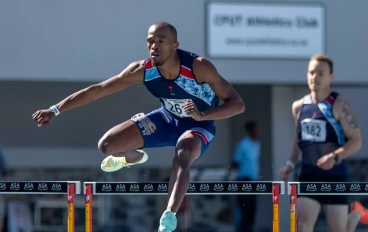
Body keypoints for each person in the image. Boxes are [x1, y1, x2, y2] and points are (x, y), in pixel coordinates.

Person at [31, 22, 245, 232]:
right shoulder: (142, 70)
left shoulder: (198, 67)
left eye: (161, 41)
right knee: (107, 145)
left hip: (199, 125)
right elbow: (98, 90)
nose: (154, 46)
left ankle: (169, 217)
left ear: (174, 45)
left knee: (183, 155)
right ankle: (132, 157)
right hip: (166, 120)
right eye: (150, 41)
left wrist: (202, 115)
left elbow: (237, 104)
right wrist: (55, 110)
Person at [279, 54, 367, 232]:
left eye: (320, 73)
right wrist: (290, 163)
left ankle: (356, 213)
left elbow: (356, 141)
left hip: (335, 176)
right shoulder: (299, 106)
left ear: (331, 77)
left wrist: (334, 157)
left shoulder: (340, 106)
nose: (315, 77)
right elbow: (299, 138)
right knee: (302, 227)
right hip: (308, 174)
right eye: (311, 72)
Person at [232, 121, 260, 232]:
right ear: (250, 131)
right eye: (256, 129)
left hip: (254, 181)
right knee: (244, 209)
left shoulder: (258, 144)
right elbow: (235, 162)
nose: (258, 131)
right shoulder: (243, 144)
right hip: (244, 180)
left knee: (252, 210)